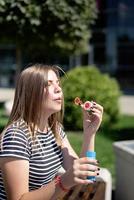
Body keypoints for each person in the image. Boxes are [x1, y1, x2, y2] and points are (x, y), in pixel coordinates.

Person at [0, 63, 103, 200]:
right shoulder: (17, 137)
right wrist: (64, 181)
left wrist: (89, 134)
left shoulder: (55, 130)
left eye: (58, 83)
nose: (58, 89)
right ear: (31, 93)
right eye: (48, 84)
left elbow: (85, 175)